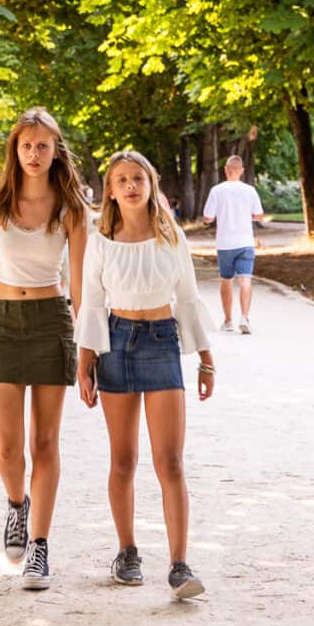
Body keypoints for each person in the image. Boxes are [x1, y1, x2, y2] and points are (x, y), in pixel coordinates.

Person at [0, 107, 88, 591]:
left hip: (52, 322)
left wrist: (89, 347)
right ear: (16, 149)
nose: (34, 154)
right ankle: (16, 505)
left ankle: (40, 548)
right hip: (4, 324)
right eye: (26, 145)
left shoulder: (71, 206)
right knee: (8, 449)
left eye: (43, 146)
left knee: (45, 443)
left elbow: (81, 285)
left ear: (56, 151)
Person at [76, 150, 215, 600]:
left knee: (170, 461)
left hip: (161, 343)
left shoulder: (170, 235)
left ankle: (179, 564)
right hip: (115, 344)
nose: (131, 185)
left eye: (138, 177)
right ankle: (127, 552)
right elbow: (92, 303)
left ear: (151, 184)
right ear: (111, 191)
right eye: (122, 180)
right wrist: (85, 363)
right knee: (123, 460)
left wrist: (206, 359)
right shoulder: (100, 239)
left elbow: (189, 297)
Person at [202, 154, 264, 335]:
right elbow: (259, 215)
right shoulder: (250, 190)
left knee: (226, 281)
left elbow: (207, 218)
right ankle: (244, 318)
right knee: (245, 280)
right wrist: (249, 216)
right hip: (245, 242)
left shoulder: (217, 190)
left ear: (226, 170)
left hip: (225, 244)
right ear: (242, 171)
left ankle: (228, 321)